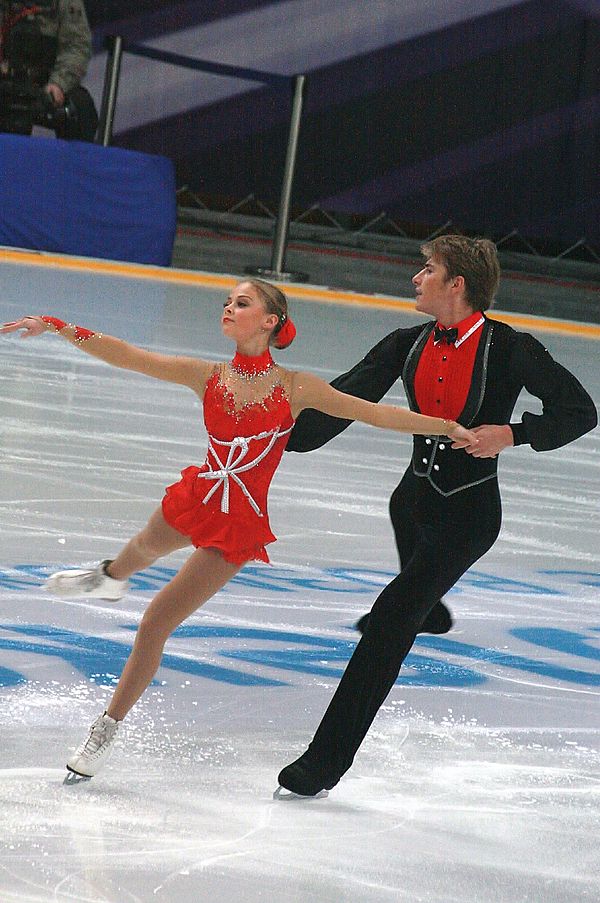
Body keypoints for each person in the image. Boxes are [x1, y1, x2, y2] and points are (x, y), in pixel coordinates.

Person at [0, 278, 479, 780]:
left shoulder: (298, 388)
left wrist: (445, 428)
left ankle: (107, 728)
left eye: (242, 303)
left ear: (271, 321)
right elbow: (128, 356)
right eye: (227, 302)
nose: (229, 308)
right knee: (143, 547)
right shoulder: (208, 375)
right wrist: (58, 326)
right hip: (198, 496)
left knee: (155, 623)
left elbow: (373, 414)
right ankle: (110, 576)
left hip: (238, 523)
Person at [276, 235, 597, 798]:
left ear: (458, 285)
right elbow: (344, 398)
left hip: (467, 515)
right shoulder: (406, 343)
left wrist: (514, 434)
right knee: (414, 591)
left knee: (387, 623)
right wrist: (277, 437)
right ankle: (433, 612)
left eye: (427, 270)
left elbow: (579, 411)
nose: (415, 278)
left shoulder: (512, 348)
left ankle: (323, 764)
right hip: (411, 502)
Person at [0, 0, 97, 141]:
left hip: (46, 83)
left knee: (81, 107)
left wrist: (59, 84)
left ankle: (74, 161)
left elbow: (76, 47)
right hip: (6, 79)